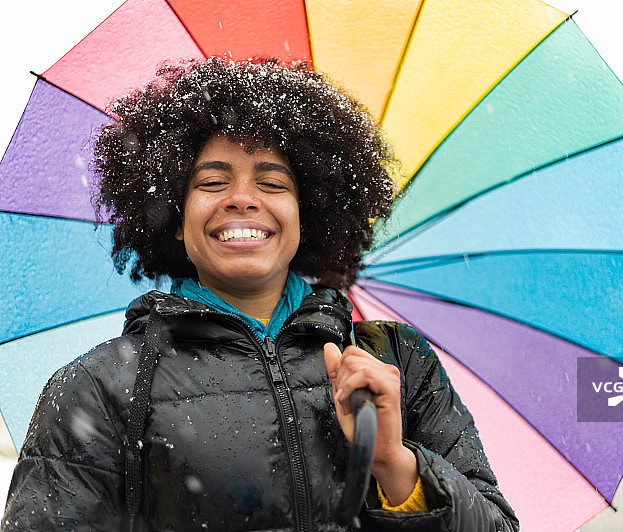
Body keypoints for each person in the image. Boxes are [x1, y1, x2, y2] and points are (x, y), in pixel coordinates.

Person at [2, 58, 518, 531]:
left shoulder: (396, 360)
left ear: (306, 214)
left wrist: (394, 463)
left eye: (272, 183)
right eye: (212, 182)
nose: (243, 199)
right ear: (176, 223)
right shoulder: (101, 387)